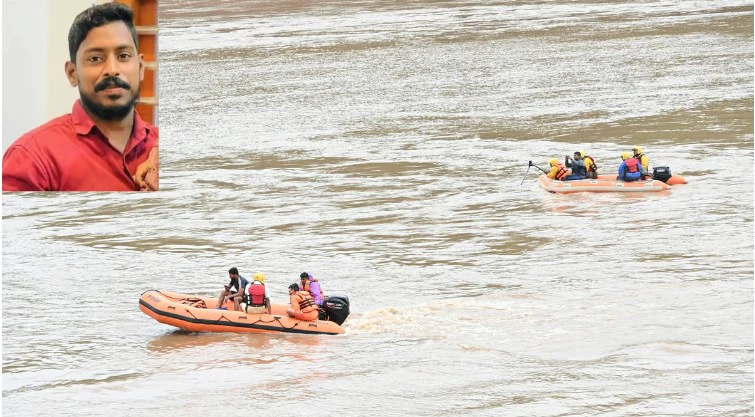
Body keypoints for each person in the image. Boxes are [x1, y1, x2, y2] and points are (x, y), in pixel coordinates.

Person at [2, 3, 158, 192]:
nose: (112, 70)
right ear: (72, 73)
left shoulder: (167, 152)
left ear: (141, 68)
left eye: (123, 56)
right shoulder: (34, 159)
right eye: (95, 58)